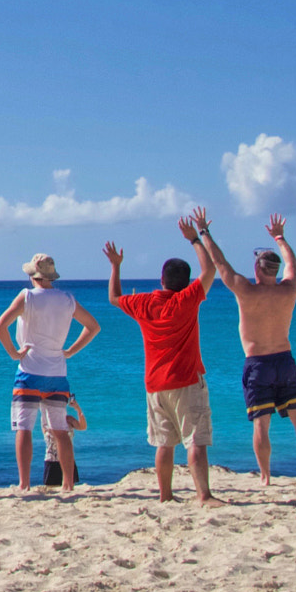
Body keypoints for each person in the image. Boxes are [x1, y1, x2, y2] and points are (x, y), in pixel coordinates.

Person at [197, 211, 296, 486]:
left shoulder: (246, 290)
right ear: (274, 271)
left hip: (258, 364)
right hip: (285, 360)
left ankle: (266, 477)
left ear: (256, 269)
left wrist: (204, 232)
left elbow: (220, 264)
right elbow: (292, 262)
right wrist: (280, 238)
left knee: (261, 424)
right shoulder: (289, 289)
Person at [105, 214, 222, 506]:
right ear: (185, 284)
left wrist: (116, 267)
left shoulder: (143, 302)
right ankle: (203, 495)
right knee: (195, 440)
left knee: (164, 443)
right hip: (185, 380)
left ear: (161, 280)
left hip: (155, 384)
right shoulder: (187, 300)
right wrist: (195, 238)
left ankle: (166, 495)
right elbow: (209, 270)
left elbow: (114, 297)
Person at [0, 254, 101, 492]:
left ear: (33, 275)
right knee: (60, 430)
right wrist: (71, 350)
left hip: (29, 371)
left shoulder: (27, 296)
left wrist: (14, 353)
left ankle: (24, 483)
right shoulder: (67, 299)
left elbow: (0, 326)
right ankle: (68, 483)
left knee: (24, 429)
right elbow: (93, 326)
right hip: (57, 373)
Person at [42, 396, 89, 487]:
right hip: (52, 460)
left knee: (69, 488)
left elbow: (83, 427)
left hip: (68, 460)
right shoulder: (46, 422)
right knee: (53, 490)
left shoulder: (68, 419)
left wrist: (78, 409)